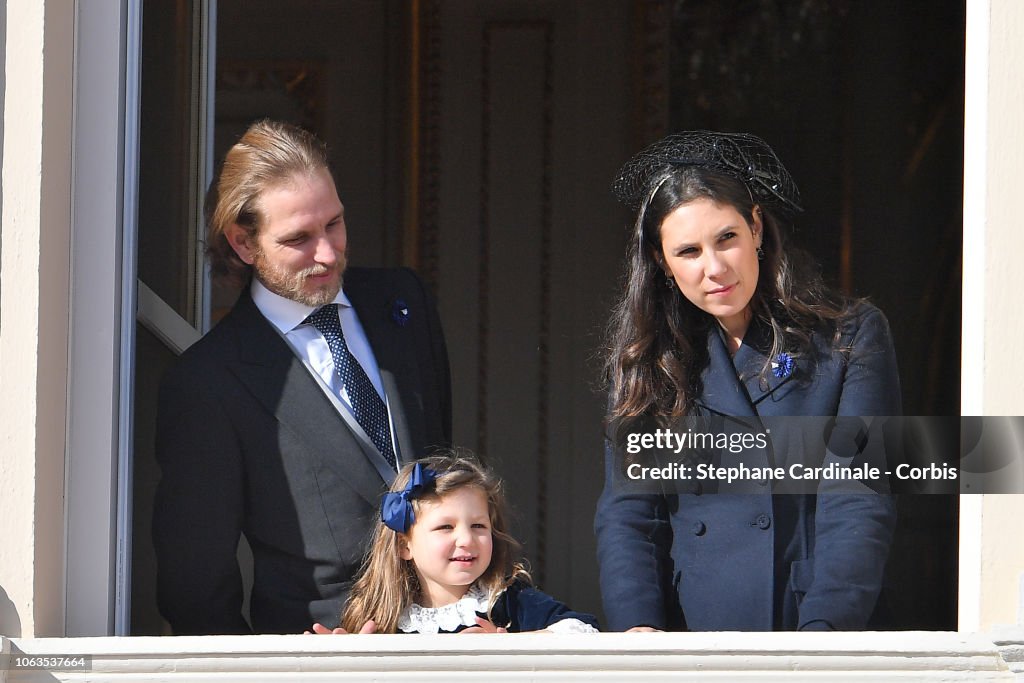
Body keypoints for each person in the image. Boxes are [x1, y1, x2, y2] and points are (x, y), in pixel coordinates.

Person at [153, 120, 452, 635]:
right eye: (298, 238)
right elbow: (194, 585)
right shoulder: (208, 381)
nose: (328, 254)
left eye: (334, 224)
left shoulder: (402, 301)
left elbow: (443, 468)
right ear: (243, 244)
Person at [594, 131, 900, 632]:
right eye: (688, 251)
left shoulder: (848, 337)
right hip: (690, 633)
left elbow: (859, 498)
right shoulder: (646, 362)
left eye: (727, 238)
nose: (714, 268)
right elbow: (629, 515)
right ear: (661, 263)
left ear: (756, 227)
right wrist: (638, 631)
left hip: (811, 622)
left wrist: (825, 634)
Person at [312, 452, 599, 634]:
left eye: (478, 526)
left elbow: (582, 630)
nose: (466, 539)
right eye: (445, 527)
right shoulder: (381, 618)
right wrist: (345, 660)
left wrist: (510, 649)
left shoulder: (505, 600)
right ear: (404, 545)